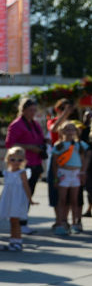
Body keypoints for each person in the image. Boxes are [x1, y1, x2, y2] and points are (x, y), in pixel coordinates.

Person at [6, 97, 46, 235]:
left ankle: (23, 222)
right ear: (23, 110)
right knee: (21, 196)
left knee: (29, 194)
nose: (33, 113)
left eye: (35, 110)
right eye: (30, 110)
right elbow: (10, 144)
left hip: (35, 163)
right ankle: (19, 224)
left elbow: (40, 140)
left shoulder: (34, 124)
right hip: (21, 165)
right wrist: (29, 147)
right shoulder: (16, 125)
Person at [51, 121, 89, 236]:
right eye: (67, 129)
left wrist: (82, 173)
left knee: (74, 200)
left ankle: (75, 223)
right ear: (62, 131)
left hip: (76, 173)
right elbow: (55, 163)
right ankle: (61, 222)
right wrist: (56, 178)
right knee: (62, 199)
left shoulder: (80, 145)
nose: (70, 131)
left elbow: (83, 159)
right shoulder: (59, 145)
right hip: (63, 173)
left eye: (72, 129)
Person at [2, 147, 32, 251]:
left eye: (19, 160)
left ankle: (18, 241)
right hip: (8, 200)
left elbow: (26, 186)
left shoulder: (22, 172)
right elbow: (6, 188)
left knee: (16, 221)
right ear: (8, 159)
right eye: (13, 159)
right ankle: (12, 241)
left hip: (17, 200)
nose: (16, 162)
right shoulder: (7, 172)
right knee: (12, 221)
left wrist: (30, 199)